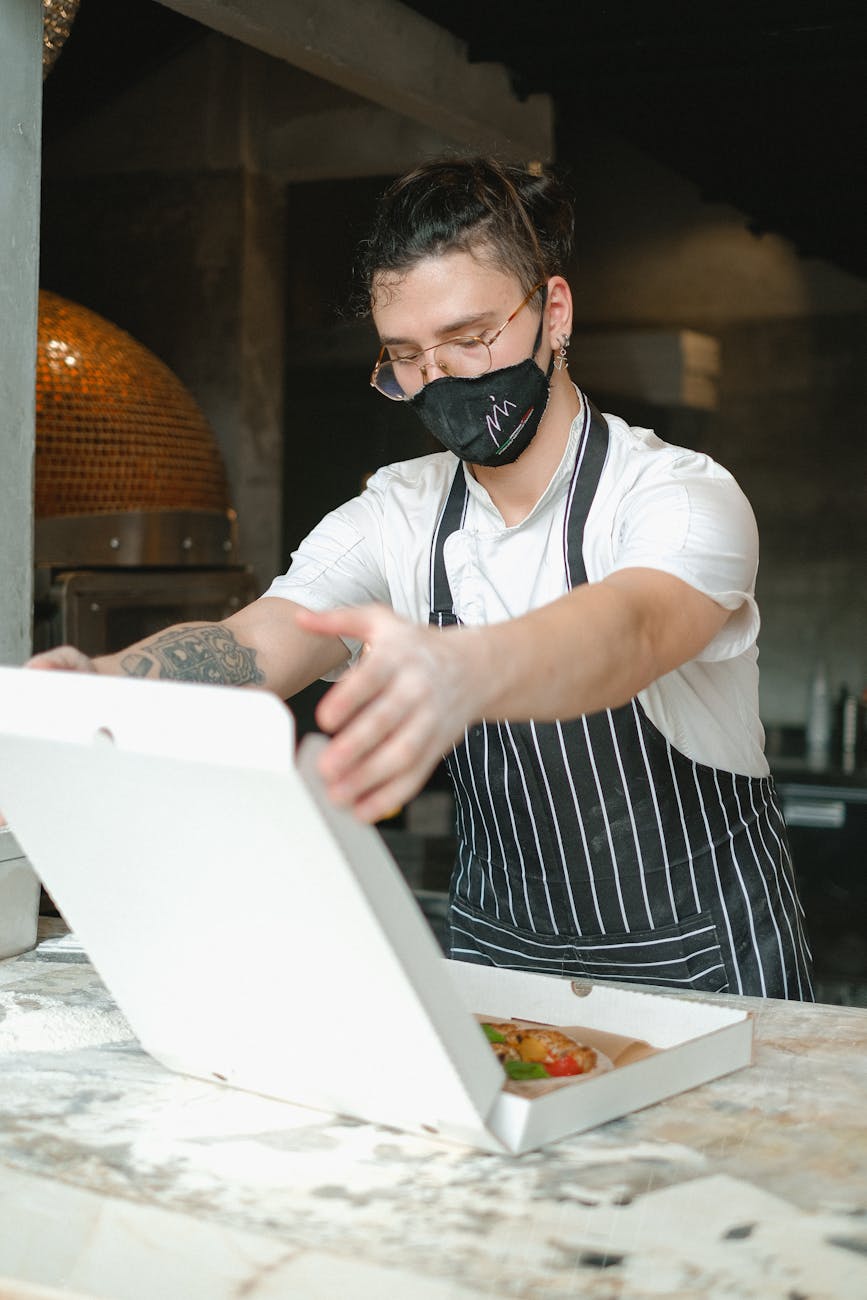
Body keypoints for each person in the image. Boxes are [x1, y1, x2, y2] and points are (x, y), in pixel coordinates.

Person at [29, 156, 812, 1000]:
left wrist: (461, 669)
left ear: (552, 312)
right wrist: (96, 687)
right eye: (406, 357)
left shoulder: (677, 495)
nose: (442, 380)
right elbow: (259, 642)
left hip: (708, 965)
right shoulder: (398, 513)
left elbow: (630, 632)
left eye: (472, 339)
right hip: (499, 963)